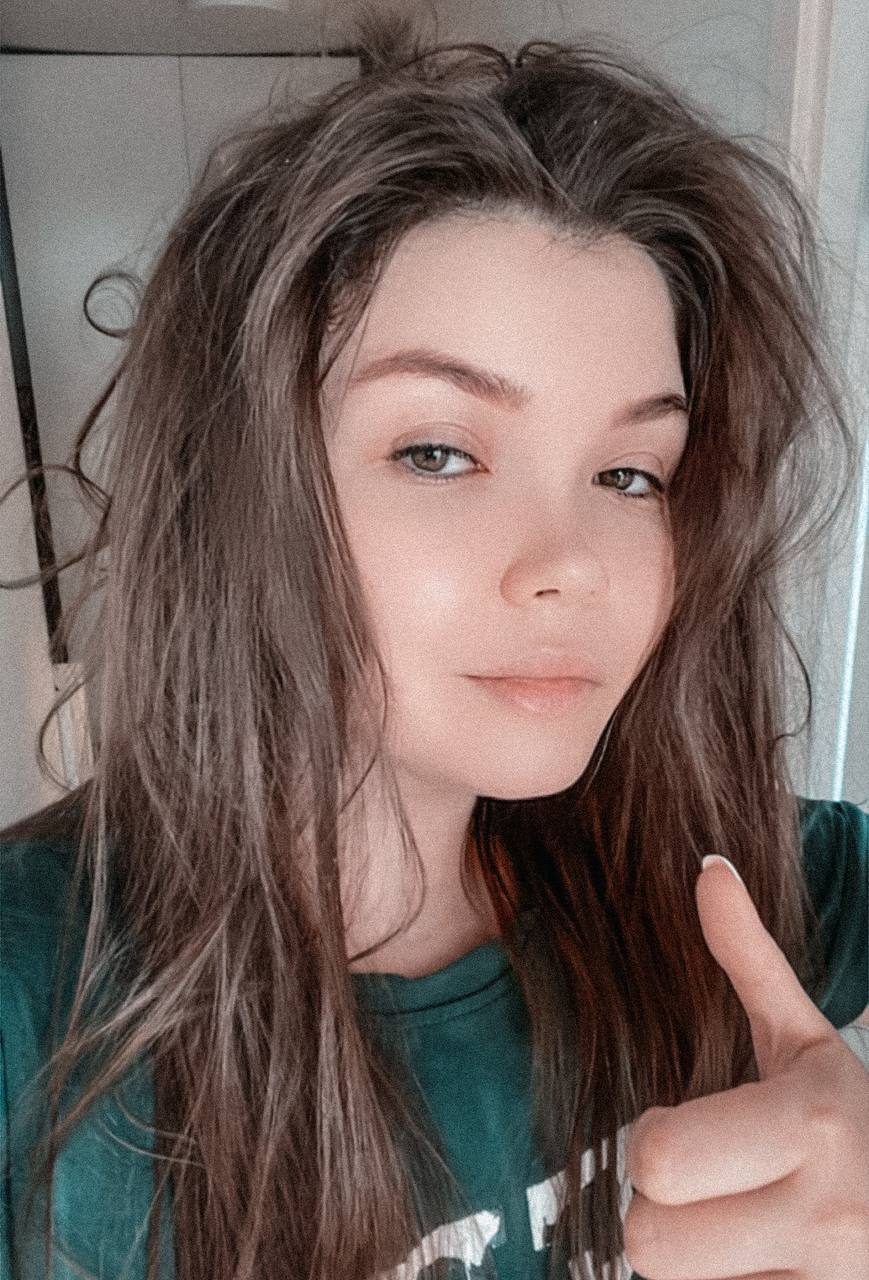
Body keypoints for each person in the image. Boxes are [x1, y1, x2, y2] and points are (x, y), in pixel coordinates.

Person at [1, 7, 867, 1280]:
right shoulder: (31, 1003)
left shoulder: (710, 872)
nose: (570, 563)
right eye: (437, 452)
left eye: (629, 472)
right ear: (240, 494)